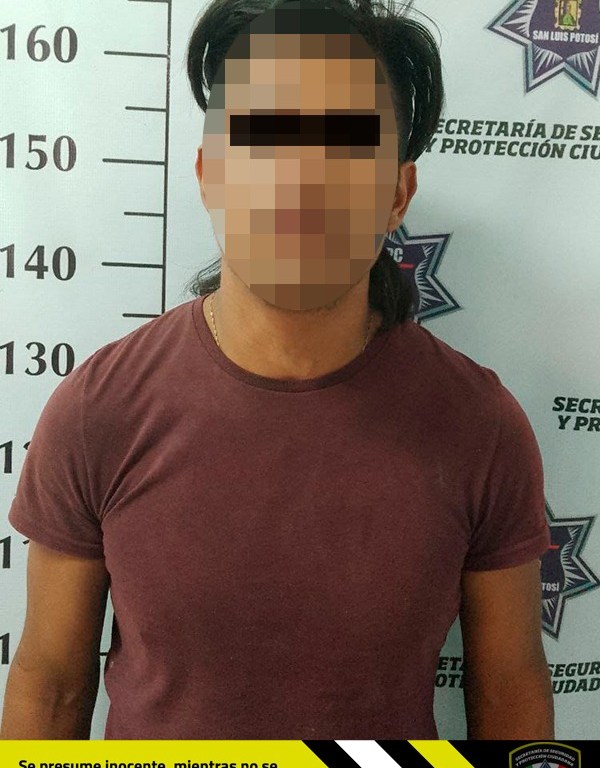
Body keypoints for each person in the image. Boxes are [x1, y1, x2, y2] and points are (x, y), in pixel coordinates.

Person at [1, 0, 553, 740]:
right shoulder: (99, 409)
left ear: (397, 193)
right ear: (210, 174)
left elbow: (510, 691)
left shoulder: (480, 425)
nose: (300, 177)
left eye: (345, 141)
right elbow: (50, 686)